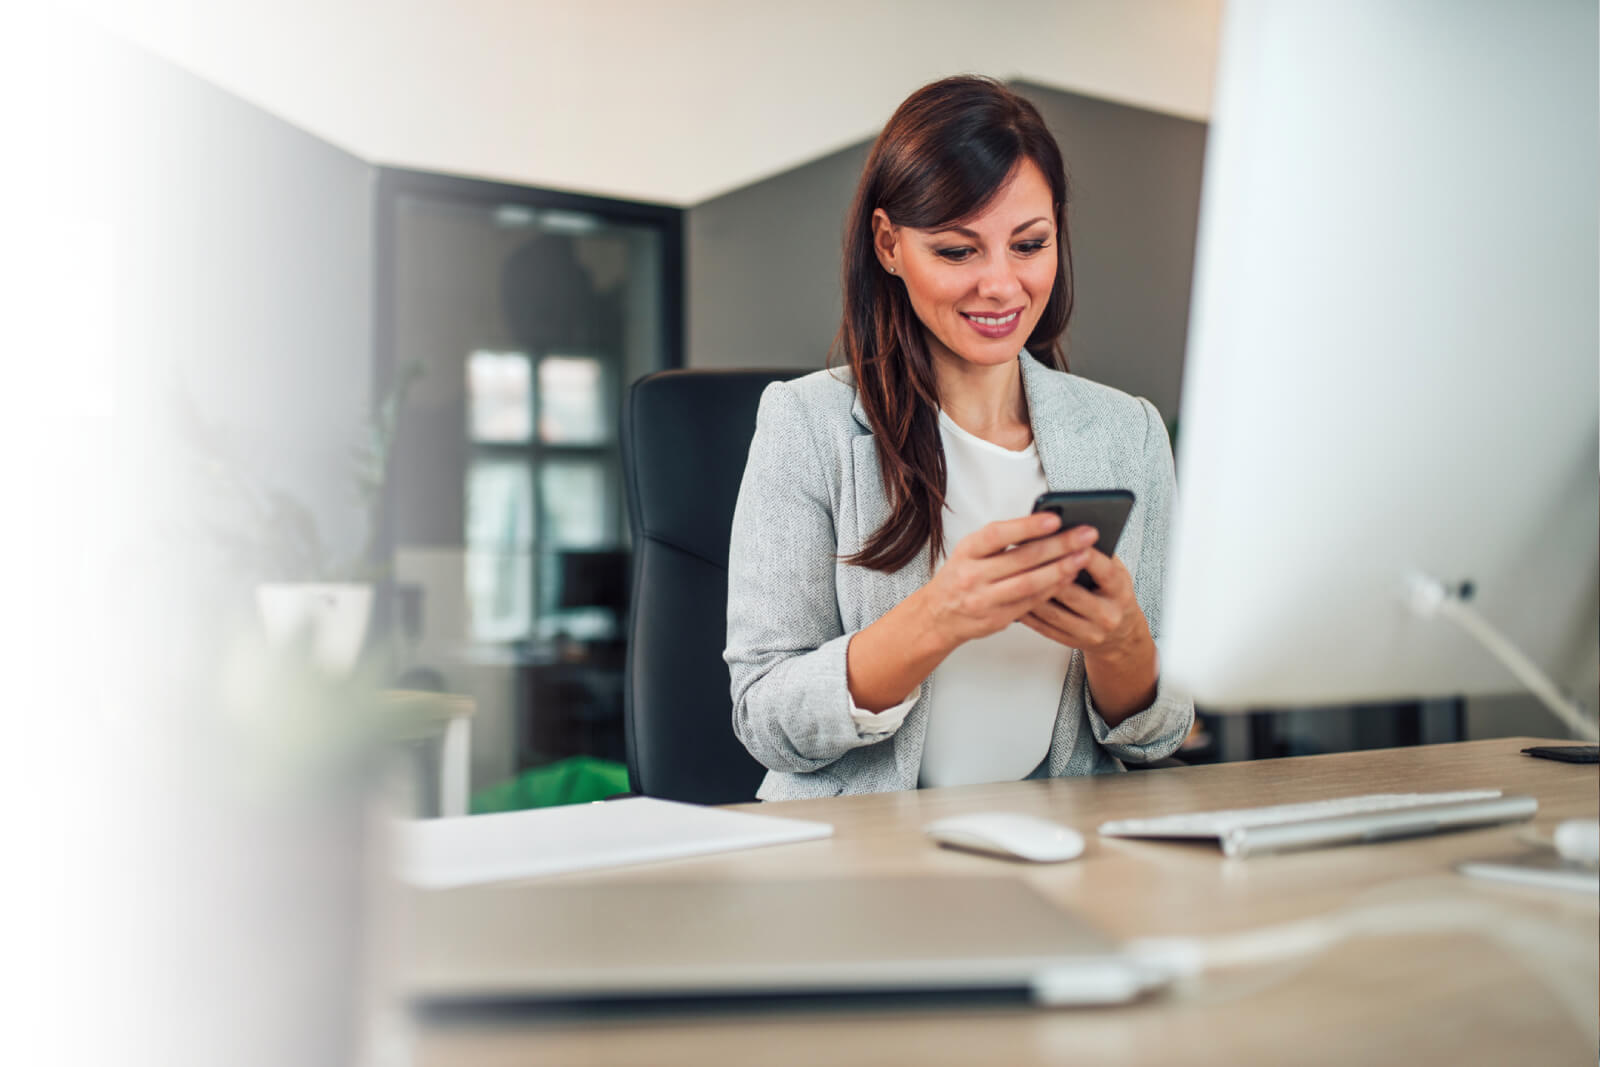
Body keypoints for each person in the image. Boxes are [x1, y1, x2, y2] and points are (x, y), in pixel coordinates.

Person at [724, 76, 1194, 801]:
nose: (1002, 285)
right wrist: (934, 620)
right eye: (957, 251)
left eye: (1030, 243)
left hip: (1064, 845)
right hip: (863, 863)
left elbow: (1162, 732)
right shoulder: (806, 424)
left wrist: (1118, 639)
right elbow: (764, 717)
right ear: (888, 244)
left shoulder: (1126, 432)